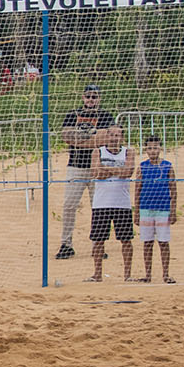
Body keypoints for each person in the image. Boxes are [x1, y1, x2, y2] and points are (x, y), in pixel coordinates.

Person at [57, 84, 115, 259]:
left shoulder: (105, 116)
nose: (91, 99)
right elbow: (66, 137)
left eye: (94, 96)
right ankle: (66, 244)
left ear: (99, 98)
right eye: (88, 96)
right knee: (69, 205)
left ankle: (98, 244)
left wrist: (79, 139)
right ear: (83, 97)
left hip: (98, 167)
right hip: (76, 166)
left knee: (98, 207)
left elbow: (106, 139)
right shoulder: (72, 114)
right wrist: (93, 138)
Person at [88, 124, 134, 283]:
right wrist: (116, 170)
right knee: (99, 240)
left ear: (122, 137)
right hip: (101, 203)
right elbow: (97, 173)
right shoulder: (97, 151)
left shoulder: (128, 152)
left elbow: (128, 172)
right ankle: (97, 274)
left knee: (126, 240)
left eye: (118, 135)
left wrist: (107, 169)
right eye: (112, 135)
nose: (114, 138)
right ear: (107, 136)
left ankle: (127, 275)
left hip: (122, 203)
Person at [133, 134, 177, 284]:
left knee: (163, 242)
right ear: (146, 150)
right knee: (147, 242)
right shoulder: (142, 167)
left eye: (156, 147)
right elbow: (137, 189)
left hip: (163, 209)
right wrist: (136, 212)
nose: (153, 151)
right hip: (146, 209)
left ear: (160, 148)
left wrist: (173, 210)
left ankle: (166, 274)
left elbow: (173, 189)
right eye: (150, 148)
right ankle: (148, 274)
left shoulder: (167, 166)